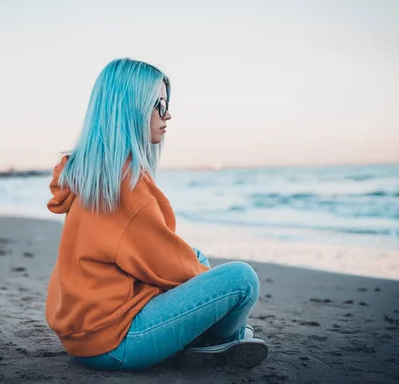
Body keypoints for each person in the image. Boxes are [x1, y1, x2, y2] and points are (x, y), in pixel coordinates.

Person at [45, 58, 268, 371]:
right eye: (159, 105)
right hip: (116, 341)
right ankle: (220, 340)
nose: (168, 115)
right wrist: (218, 298)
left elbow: (148, 258)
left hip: (84, 334)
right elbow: (166, 265)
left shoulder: (92, 174)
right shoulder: (127, 187)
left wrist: (197, 273)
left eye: (167, 104)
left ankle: (222, 337)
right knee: (241, 280)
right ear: (132, 108)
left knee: (196, 255)